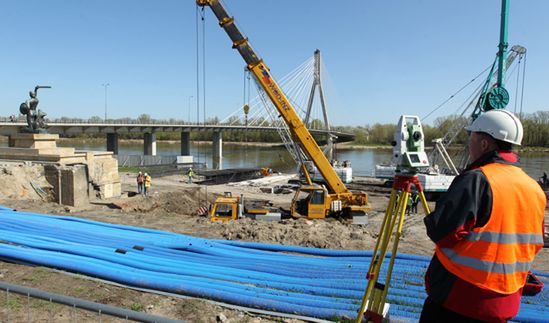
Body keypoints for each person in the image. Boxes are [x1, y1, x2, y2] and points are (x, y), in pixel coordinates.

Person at [420, 110, 546, 322]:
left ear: (484, 143)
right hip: (505, 301)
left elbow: (441, 231)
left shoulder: (477, 180)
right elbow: (535, 240)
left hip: (460, 298)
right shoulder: (534, 189)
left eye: (472, 138)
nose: (469, 145)